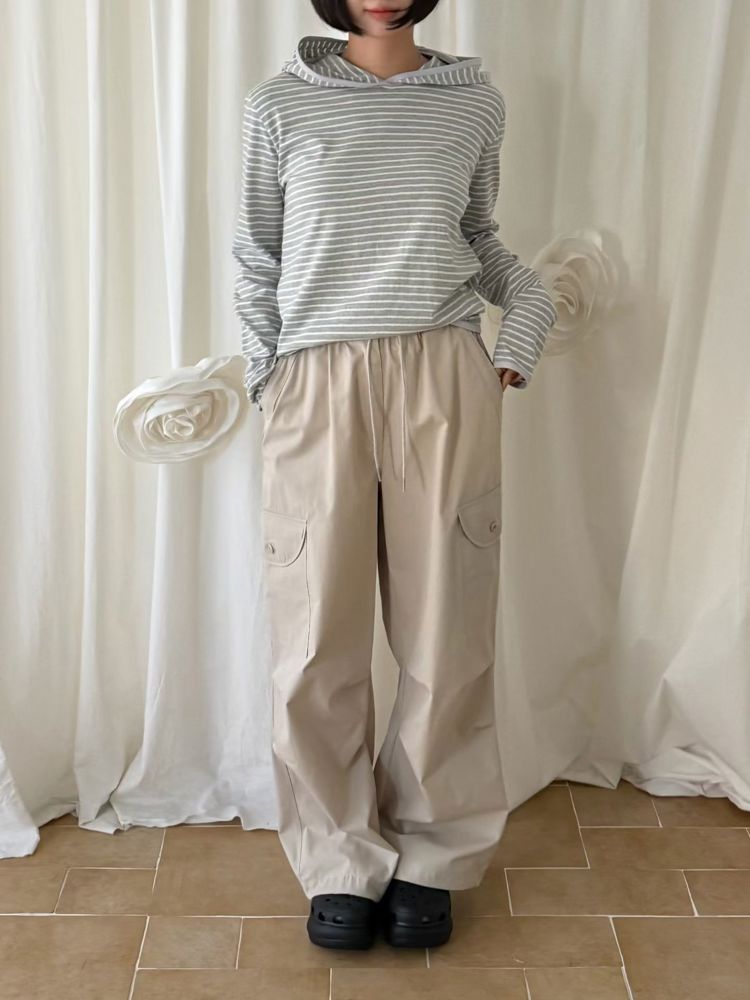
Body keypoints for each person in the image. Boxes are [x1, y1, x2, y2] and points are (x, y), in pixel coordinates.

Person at [231, 0, 557, 951]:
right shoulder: (278, 105)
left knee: (446, 632)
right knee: (313, 638)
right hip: (315, 380)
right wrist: (269, 378)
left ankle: (433, 856)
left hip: (441, 374)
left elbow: (482, 237)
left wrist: (520, 333)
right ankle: (338, 858)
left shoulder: (473, 103)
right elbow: (256, 255)